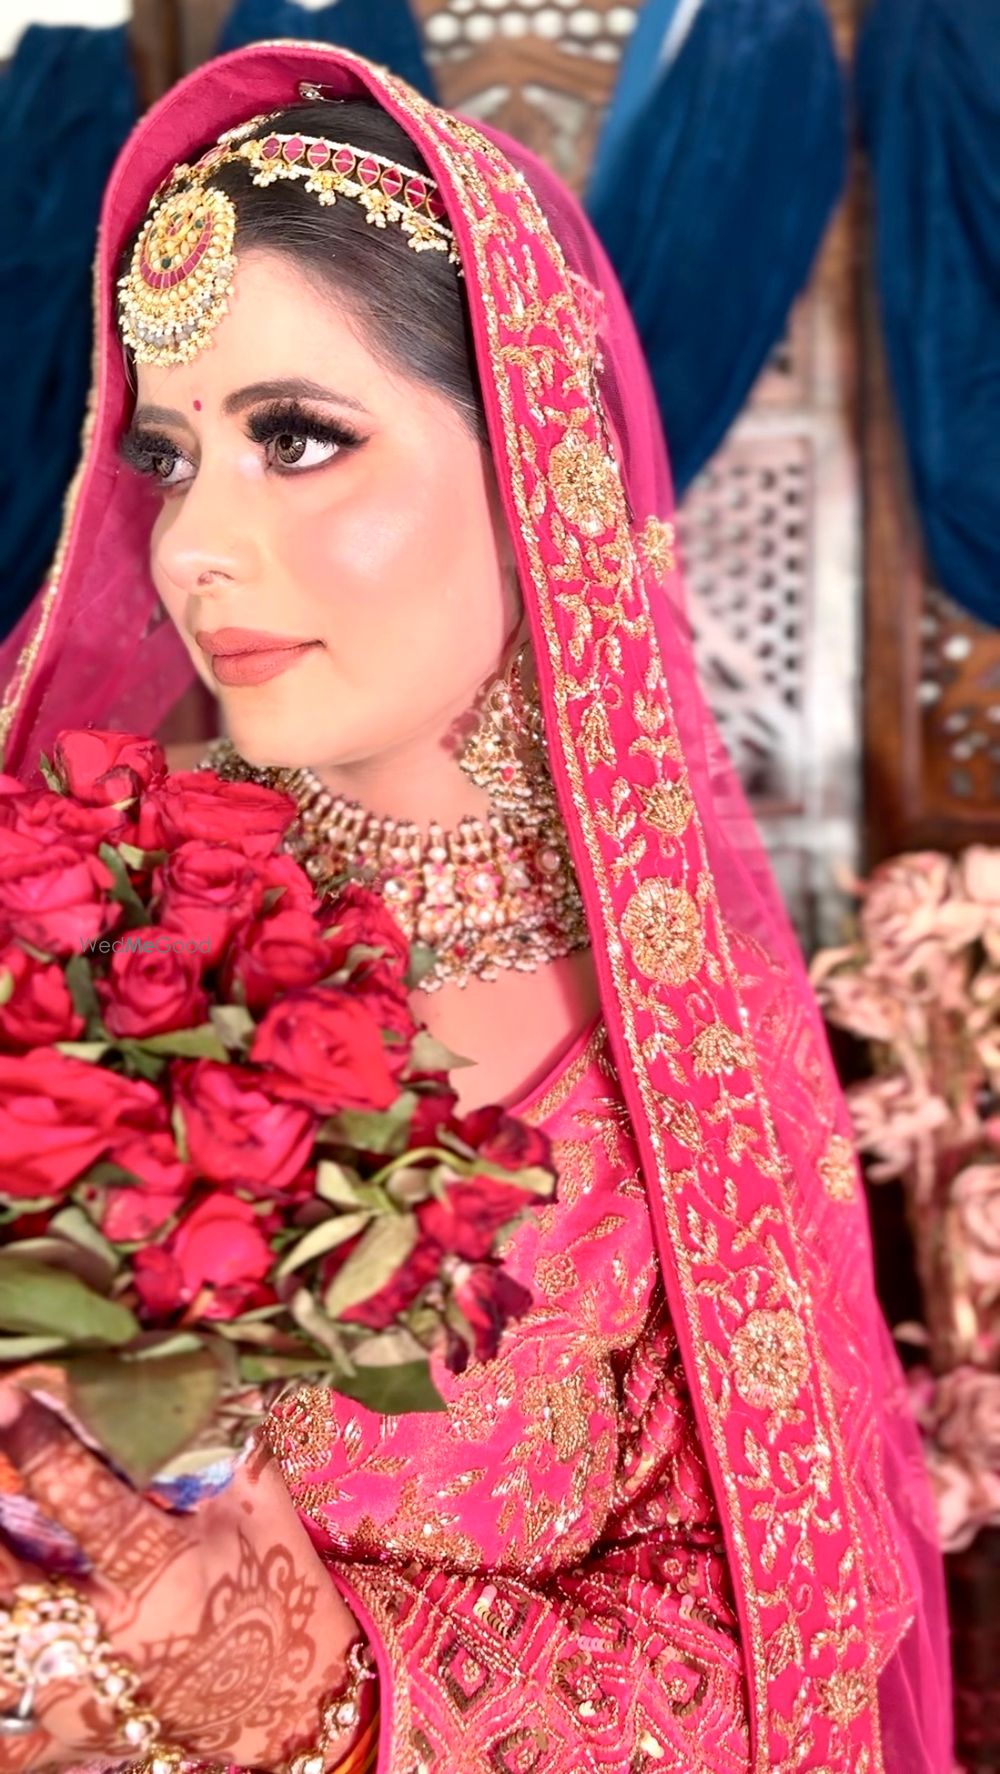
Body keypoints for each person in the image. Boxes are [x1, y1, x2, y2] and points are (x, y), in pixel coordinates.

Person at [0, 40, 951, 1774]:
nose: (194, 541)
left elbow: (787, 1654)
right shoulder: (69, 908)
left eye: (298, 437)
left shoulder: (687, 1046)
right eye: (171, 454)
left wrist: (331, 1694)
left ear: (533, 467)